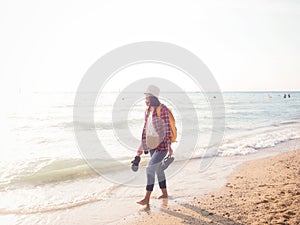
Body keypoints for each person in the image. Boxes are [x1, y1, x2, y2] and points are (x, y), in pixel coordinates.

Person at [136, 85, 173, 206]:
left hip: (161, 145)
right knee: (158, 170)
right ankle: (165, 193)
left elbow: (167, 129)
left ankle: (147, 198)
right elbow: (146, 129)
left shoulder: (162, 109)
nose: (145, 99)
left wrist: (169, 146)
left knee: (150, 168)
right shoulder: (147, 111)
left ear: (152, 96)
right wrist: (141, 147)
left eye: (147, 96)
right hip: (151, 143)